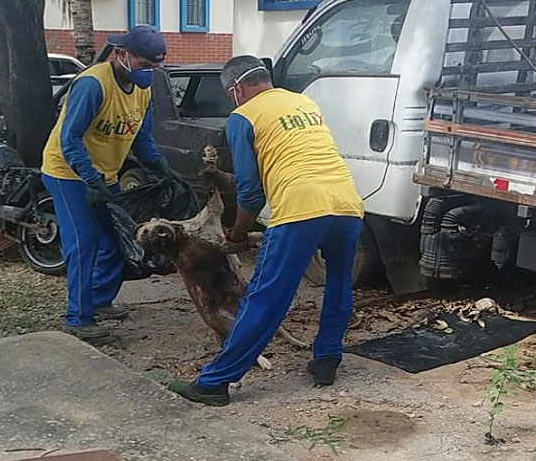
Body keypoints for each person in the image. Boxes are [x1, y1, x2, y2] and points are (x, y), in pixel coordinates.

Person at [169, 55, 364, 406]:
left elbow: (251, 190)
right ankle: (327, 359)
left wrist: (238, 233)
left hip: (300, 207)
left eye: (231, 95)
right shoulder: (303, 102)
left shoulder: (243, 116)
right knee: (338, 283)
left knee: (267, 295)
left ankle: (215, 383)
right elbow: (279, 163)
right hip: (347, 202)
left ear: (237, 89)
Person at [41, 26, 179, 342]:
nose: (150, 73)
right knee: (84, 241)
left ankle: (100, 300)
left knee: (119, 238)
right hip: (68, 173)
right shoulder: (93, 85)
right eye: (145, 65)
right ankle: (78, 318)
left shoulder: (143, 89)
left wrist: (162, 168)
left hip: (105, 175)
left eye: (155, 67)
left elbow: (141, 138)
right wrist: (90, 179)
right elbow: (69, 137)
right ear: (121, 55)